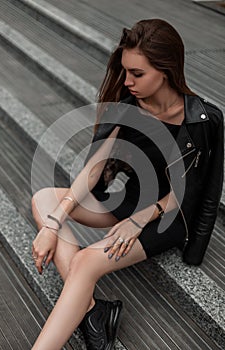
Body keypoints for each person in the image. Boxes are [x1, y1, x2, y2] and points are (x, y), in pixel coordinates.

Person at [31, 19, 224, 350]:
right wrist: (53, 224)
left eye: (137, 73)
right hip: (128, 202)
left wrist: (139, 220)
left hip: (167, 216)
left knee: (85, 262)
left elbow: (194, 192)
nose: (127, 81)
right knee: (46, 199)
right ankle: (93, 311)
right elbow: (93, 170)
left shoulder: (202, 119)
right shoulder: (128, 106)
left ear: (166, 70)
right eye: (124, 71)